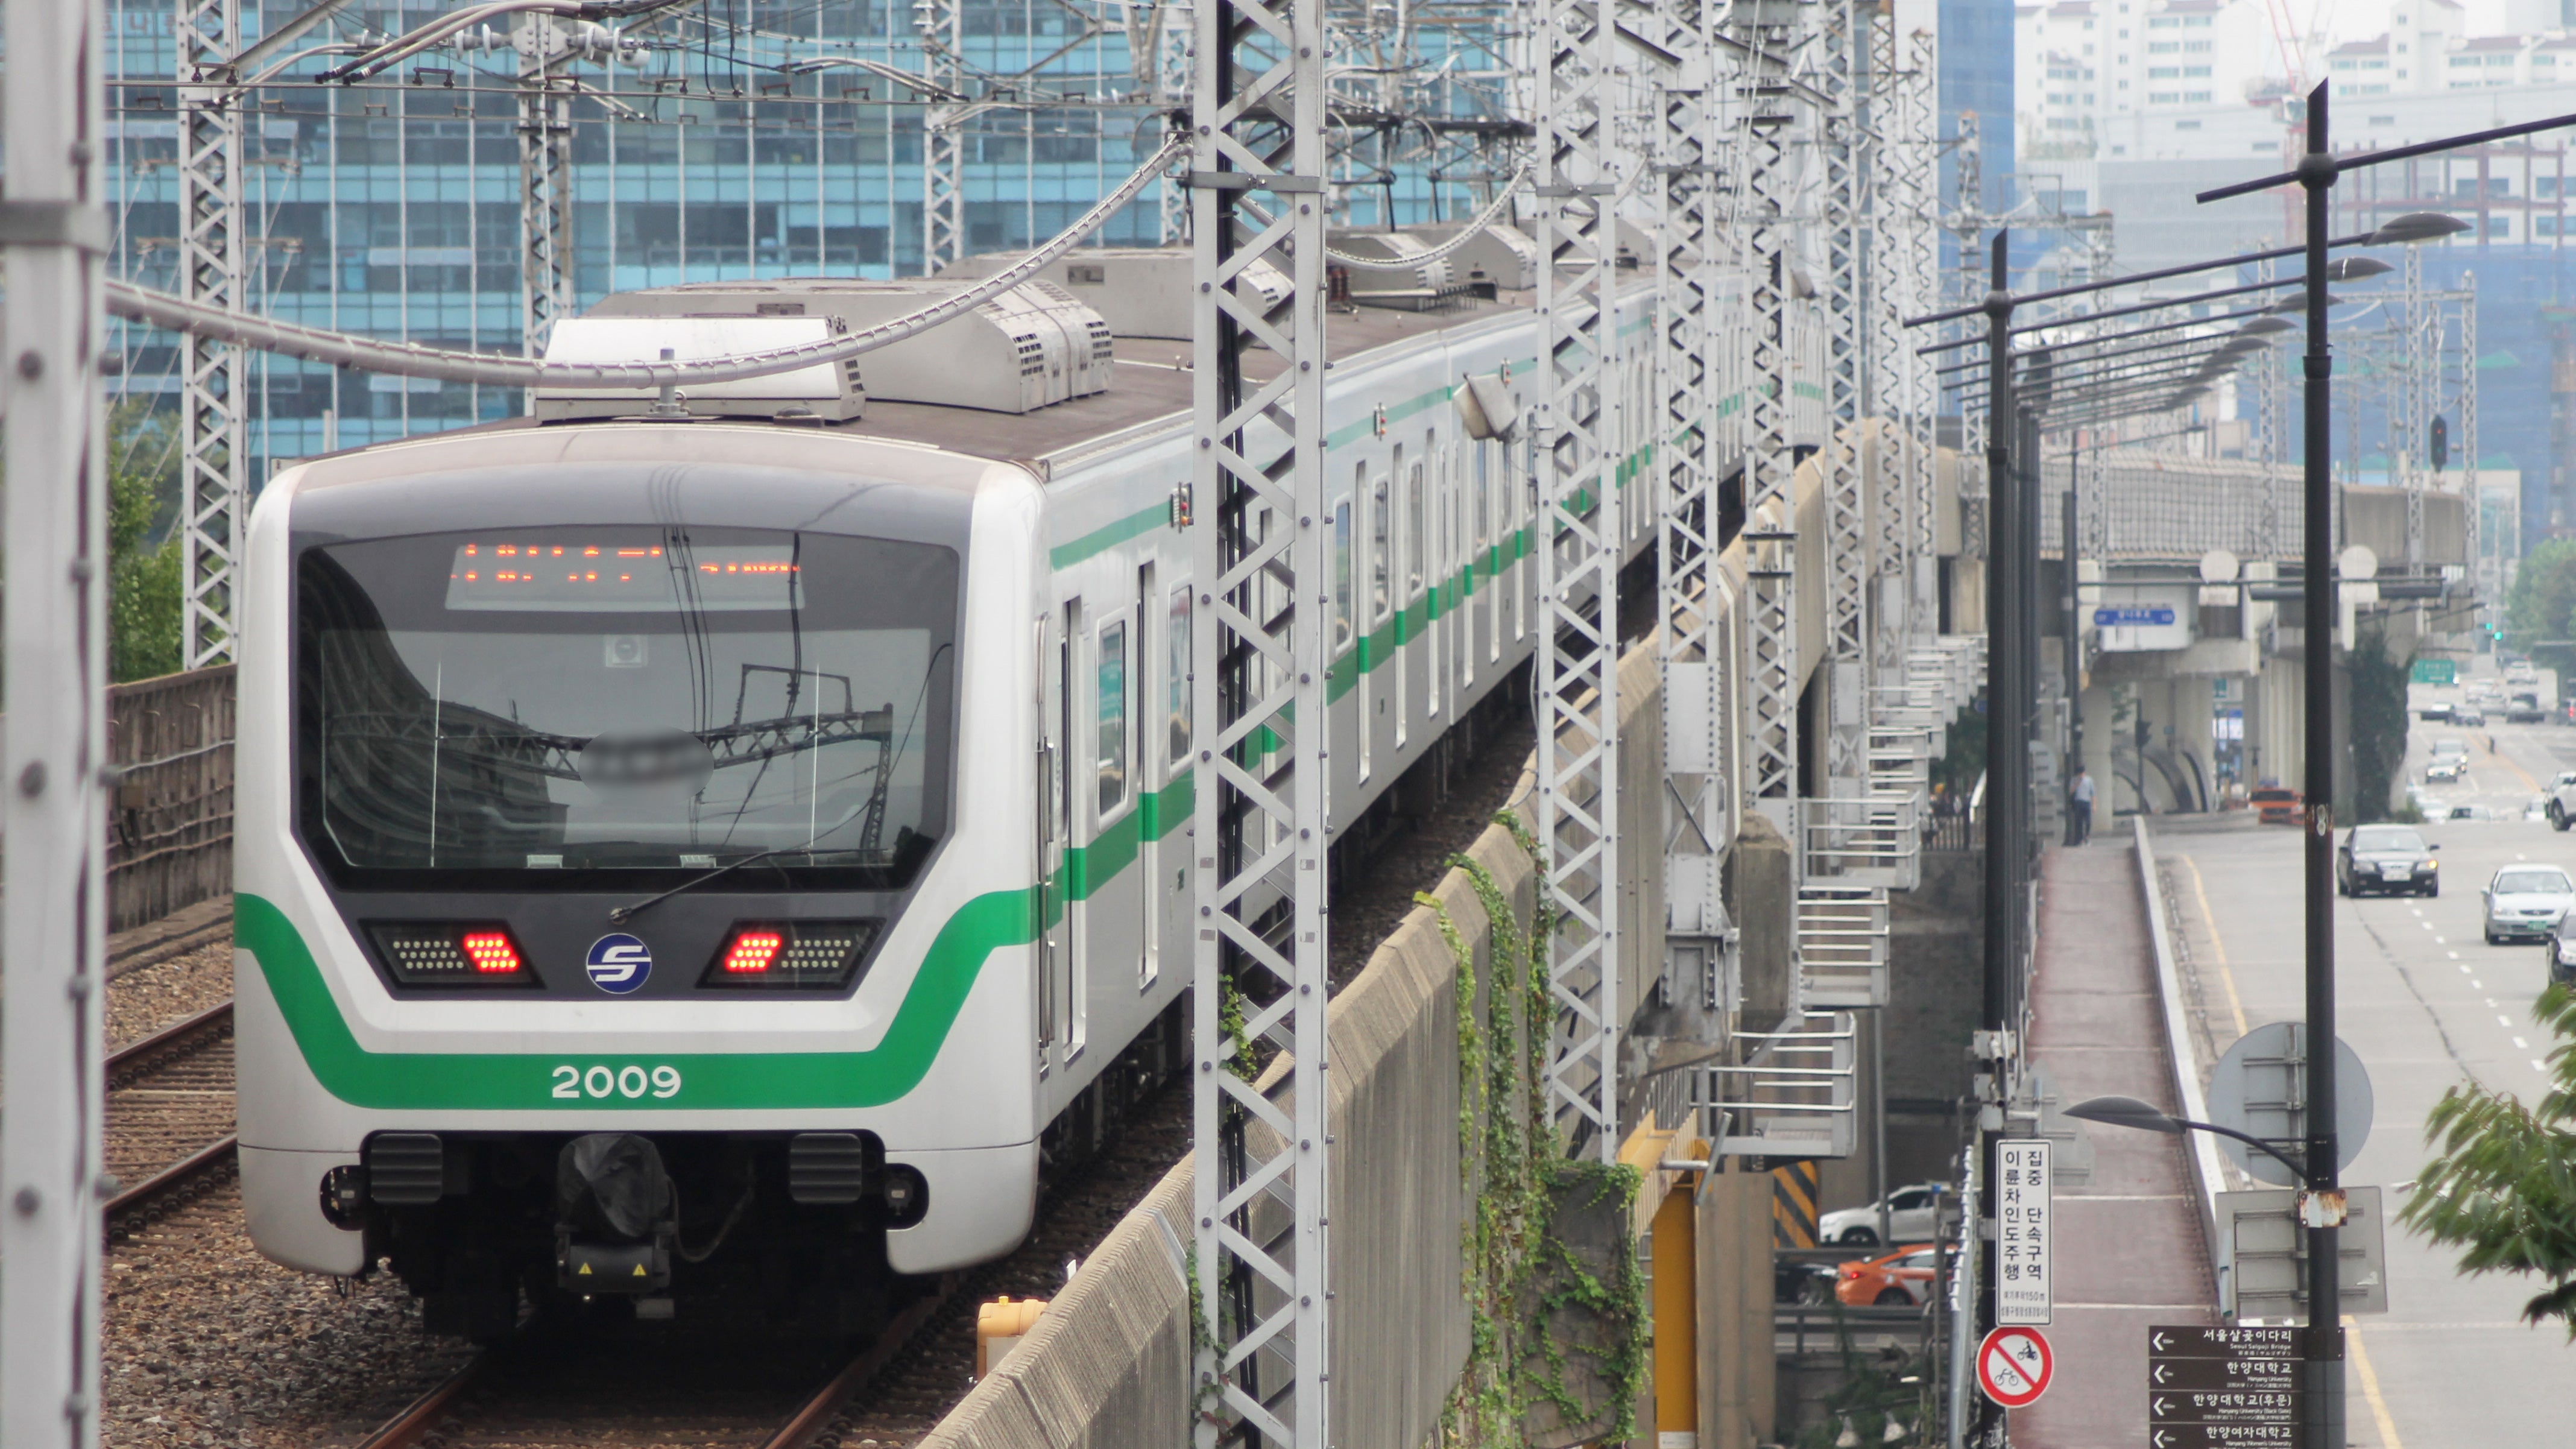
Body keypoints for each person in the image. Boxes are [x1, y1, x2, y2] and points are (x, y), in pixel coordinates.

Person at [2069, 767, 2096, 845]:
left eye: (2083, 773)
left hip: (2087, 802)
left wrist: (2094, 805)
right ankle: (2080, 839)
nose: (2081, 775)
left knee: (2088, 821)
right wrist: (2076, 785)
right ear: (2077, 774)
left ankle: (2087, 837)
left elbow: (2093, 793)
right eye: (2080, 774)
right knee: (2079, 822)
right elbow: (2071, 791)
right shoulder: (2074, 780)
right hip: (2078, 802)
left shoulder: (2089, 780)